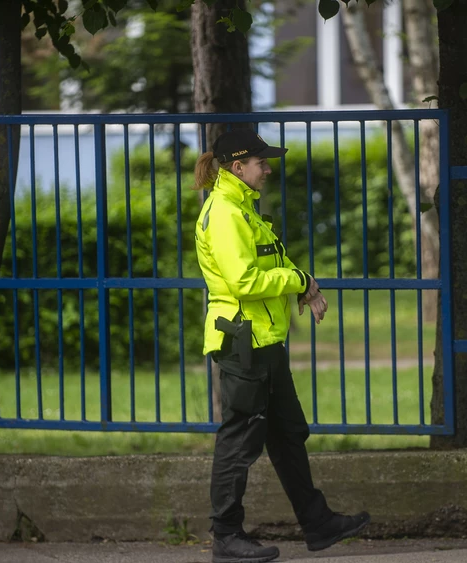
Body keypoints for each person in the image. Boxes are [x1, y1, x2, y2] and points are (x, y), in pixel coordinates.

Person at [192, 129, 370, 563]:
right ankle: (226, 537)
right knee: (239, 440)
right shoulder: (226, 213)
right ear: (238, 167)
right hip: (242, 344)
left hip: (265, 341)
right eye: (261, 162)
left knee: (288, 435)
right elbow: (244, 281)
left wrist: (303, 285)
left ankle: (318, 523)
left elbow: (273, 258)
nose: (268, 169)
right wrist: (301, 282)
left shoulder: (244, 209)